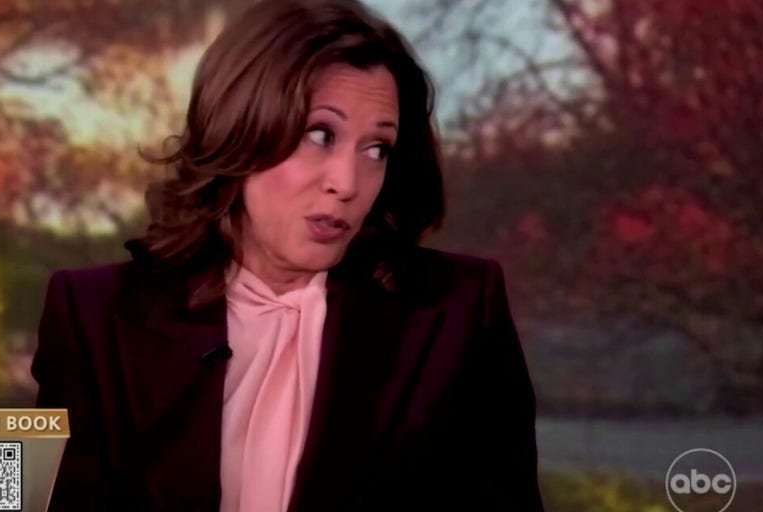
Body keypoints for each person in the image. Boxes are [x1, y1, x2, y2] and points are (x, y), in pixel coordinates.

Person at [31, 0, 544, 510]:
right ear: (239, 129)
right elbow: (34, 497)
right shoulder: (92, 313)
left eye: (376, 149)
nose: (347, 183)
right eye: (320, 135)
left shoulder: (459, 311)